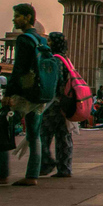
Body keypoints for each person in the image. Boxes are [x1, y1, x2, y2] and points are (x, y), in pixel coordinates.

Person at [0, 3, 45, 186]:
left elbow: (19, 69)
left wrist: (9, 94)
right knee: (34, 134)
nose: (14, 19)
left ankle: (2, 173)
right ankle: (32, 175)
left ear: (27, 17)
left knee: (2, 123)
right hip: (39, 94)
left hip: (25, 94)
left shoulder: (24, 39)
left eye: (17, 16)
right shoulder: (41, 40)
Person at [39, 32, 75, 177]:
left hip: (55, 104)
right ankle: (64, 168)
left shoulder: (55, 59)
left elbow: (57, 82)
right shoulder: (66, 59)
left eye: (49, 41)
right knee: (64, 136)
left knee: (42, 134)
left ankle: (47, 162)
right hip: (66, 103)